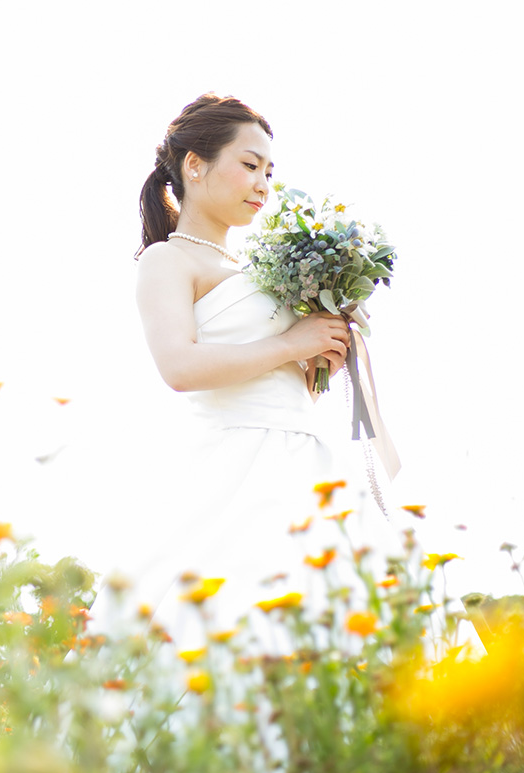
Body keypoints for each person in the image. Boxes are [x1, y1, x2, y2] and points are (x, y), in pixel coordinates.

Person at [83, 93, 398, 653]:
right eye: (250, 165)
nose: (263, 184)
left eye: (270, 172)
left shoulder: (262, 267)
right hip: (229, 470)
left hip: (307, 460)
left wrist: (316, 355)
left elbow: (282, 378)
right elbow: (178, 367)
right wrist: (287, 343)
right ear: (195, 165)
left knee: (352, 609)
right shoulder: (169, 259)